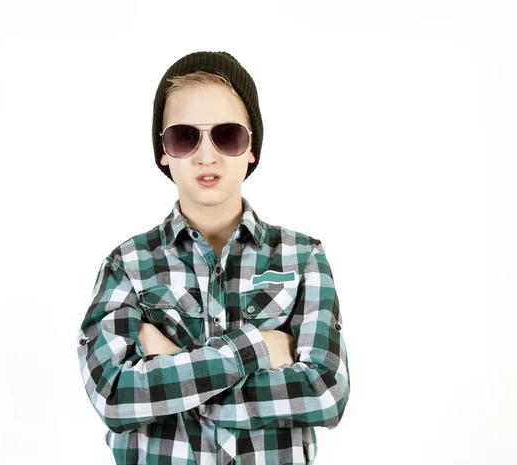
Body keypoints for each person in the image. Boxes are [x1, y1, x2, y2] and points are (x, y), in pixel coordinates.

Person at [75, 50, 350, 465]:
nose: (207, 155)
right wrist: (257, 348)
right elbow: (113, 398)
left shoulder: (303, 258)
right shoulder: (126, 265)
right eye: (185, 137)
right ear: (163, 151)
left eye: (227, 135)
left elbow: (325, 392)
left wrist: (172, 370)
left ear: (251, 148)